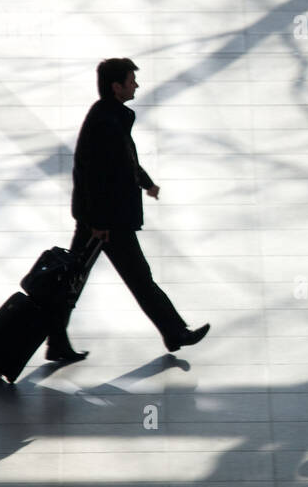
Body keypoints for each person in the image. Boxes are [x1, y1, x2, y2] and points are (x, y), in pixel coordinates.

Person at [44, 58, 210, 362]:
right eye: (131, 80)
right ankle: (175, 332)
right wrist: (98, 221)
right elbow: (94, 176)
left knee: (77, 281)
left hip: (102, 219)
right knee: (128, 279)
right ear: (115, 86)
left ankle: (57, 342)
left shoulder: (109, 116)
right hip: (106, 223)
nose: (136, 85)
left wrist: (146, 183)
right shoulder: (106, 122)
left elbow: (123, 161)